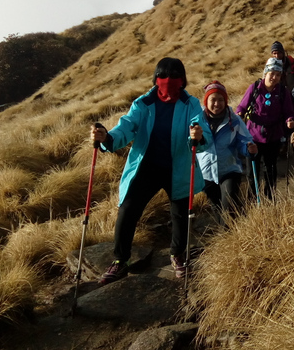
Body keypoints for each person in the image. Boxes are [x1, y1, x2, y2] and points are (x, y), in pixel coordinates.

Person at [90, 57, 211, 284]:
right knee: (128, 210)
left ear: (183, 80)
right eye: (164, 76)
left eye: (175, 77)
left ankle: (178, 256)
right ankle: (120, 260)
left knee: (181, 214)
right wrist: (107, 137)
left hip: (179, 167)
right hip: (146, 167)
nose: (169, 82)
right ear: (156, 79)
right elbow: (126, 127)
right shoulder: (143, 104)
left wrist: (199, 135)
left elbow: (200, 126)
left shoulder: (191, 104)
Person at [236, 58, 294, 200]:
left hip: (273, 137)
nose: (274, 77)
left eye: (278, 74)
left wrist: (290, 120)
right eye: (272, 73)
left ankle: (270, 198)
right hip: (253, 137)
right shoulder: (255, 88)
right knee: (253, 172)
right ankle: (252, 198)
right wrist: (239, 114)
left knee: (270, 169)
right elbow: (242, 106)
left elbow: (289, 111)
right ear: (266, 72)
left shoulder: (283, 92)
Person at [197, 80, 257, 217]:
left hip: (229, 170)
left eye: (221, 100)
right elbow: (190, 142)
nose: (217, 104)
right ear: (206, 101)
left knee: (229, 206)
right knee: (217, 208)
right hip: (205, 173)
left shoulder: (234, 120)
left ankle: (232, 232)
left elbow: (244, 140)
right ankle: (226, 234)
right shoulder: (197, 120)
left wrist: (249, 149)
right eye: (213, 99)